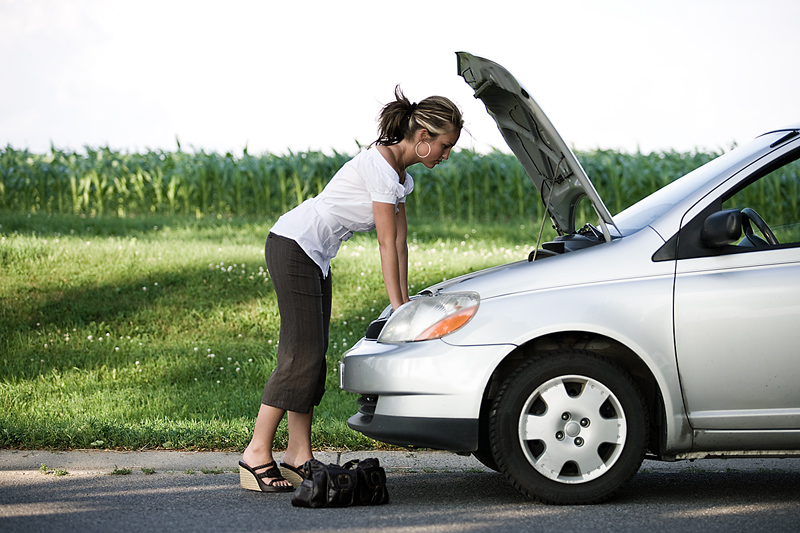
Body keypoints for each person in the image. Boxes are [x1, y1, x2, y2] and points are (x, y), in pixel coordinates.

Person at [238, 86, 464, 492]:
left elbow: (399, 242)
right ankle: (256, 453)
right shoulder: (379, 167)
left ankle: (297, 455)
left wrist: (405, 301)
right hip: (294, 245)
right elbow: (383, 241)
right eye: (445, 146)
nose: (446, 155)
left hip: (314, 254)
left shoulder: (400, 177)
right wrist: (397, 305)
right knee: (300, 354)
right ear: (424, 137)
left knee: (312, 354)